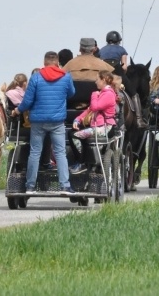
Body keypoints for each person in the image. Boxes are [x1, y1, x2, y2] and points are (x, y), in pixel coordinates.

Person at [11, 51, 76, 194]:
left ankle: (30, 186)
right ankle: (64, 185)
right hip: (57, 121)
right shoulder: (66, 77)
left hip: (38, 121)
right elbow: (71, 93)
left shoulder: (36, 77)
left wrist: (17, 111)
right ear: (57, 63)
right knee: (60, 153)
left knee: (35, 152)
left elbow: (27, 101)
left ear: (44, 63)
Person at [72, 70, 117, 141]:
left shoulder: (108, 94)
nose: (95, 82)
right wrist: (77, 120)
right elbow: (89, 109)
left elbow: (94, 107)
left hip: (105, 128)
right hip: (98, 126)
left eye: (97, 79)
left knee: (74, 136)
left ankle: (82, 152)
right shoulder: (102, 93)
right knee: (72, 132)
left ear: (103, 80)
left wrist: (94, 95)